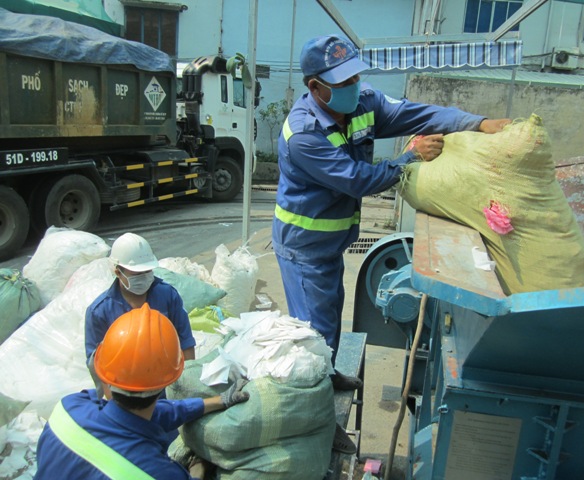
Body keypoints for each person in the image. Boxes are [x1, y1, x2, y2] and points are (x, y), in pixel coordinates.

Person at [272, 34, 510, 454]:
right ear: (315, 87)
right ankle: (314, 423)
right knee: (313, 335)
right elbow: (359, 179)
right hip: (304, 248)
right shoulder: (304, 134)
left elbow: (419, 114)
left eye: (356, 75)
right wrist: (410, 158)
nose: (354, 85)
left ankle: (328, 377)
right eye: (342, 81)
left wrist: (478, 123)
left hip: (330, 243)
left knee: (328, 319)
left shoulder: (362, 103)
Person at [35, 304, 249, 480]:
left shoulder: (67, 409)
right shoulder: (158, 472)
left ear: (105, 376)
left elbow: (139, 413)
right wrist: (198, 470)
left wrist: (218, 401)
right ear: (167, 382)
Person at [85, 232, 196, 395]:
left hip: (166, 386)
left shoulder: (167, 296)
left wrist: (185, 391)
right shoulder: (99, 311)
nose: (144, 278)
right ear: (117, 272)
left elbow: (186, 343)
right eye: (137, 274)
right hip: (125, 393)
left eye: (148, 271)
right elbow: (97, 364)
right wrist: (115, 403)